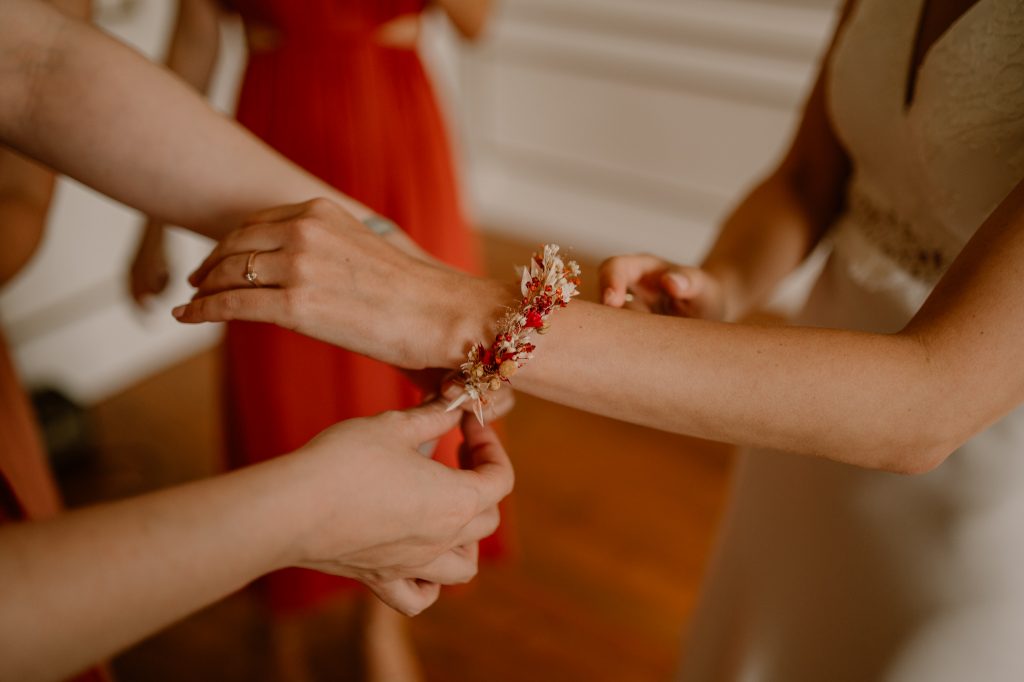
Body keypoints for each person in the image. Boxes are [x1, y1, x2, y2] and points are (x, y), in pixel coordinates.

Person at [177, 0, 1024, 678]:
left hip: (975, 463)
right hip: (806, 405)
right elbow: (812, 174)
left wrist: (467, 315)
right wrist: (724, 282)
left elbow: (929, 403)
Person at [0, 1, 513, 680]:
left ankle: (382, 618)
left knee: (421, 394)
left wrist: (388, 248)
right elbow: (176, 55)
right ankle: (280, 620)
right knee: (280, 393)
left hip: (394, 137)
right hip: (276, 128)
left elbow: (39, 65)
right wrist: (152, 225)